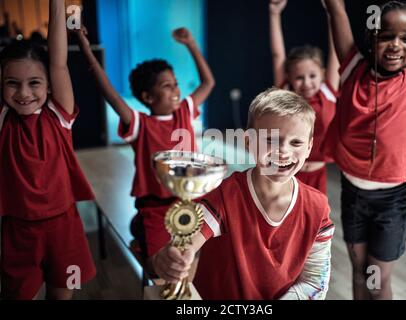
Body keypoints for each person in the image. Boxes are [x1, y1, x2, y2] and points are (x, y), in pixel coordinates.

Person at [152, 88, 335, 300]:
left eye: (296, 142)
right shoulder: (226, 195)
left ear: (309, 147)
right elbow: (189, 241)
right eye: (270, 139)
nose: (283, 151)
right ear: (248, 141)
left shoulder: (318, 207)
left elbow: (315, 281)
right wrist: (169, 260)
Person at [323, 0, 406, 299]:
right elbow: (336, 10)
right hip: (353, 194)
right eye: (386, 36)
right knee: (359, 272)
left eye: (405, 38)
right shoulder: (352, 67)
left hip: (391, 203)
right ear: (371, 38)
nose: (395, 45)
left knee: (376, 279)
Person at [75, 26, 215, 274]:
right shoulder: (140, 124)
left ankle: (139, 230)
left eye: (175, 84)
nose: (175, 90)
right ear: (148, 97)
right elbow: (110, 94)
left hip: (190, 202)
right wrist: (86, 51)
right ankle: (141, 231)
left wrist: (192, 44)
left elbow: (208, 82)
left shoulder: (184, 110)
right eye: (166, 85)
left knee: (197, 257)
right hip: (156, 207)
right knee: (156, 269)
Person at [0, 0, 96, 300]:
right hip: (18, 230)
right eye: (12, 84)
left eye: (34, 83)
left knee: (63, 292)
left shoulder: (59, 115)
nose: (24, 93)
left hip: (64, 227)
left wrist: (57, 3)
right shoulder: (4, 119)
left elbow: (58, 62)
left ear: (49, 86)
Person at [269, 0, 339, 194]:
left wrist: (333, 12)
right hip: (286, 172)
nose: (307, 83)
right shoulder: (285, 93)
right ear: (290, 77)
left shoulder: (328, 91)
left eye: (312, 76)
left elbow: (337, 50)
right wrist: (274, 13)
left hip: (317, 175)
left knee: (314, 223)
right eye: (299, 77)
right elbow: (277, 55)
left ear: (323, 74)